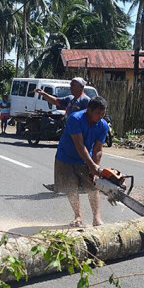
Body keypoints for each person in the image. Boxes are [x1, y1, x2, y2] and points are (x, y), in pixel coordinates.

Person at [52, 96, 109, 228]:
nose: (100, 116)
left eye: (103, 113)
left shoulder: (103, 125)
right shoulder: (75, 119)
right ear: (89, 110)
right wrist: (91, 164)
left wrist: (96, 168)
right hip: (65, 157)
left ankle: (96, 218)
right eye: (98, 113)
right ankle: (78, 216)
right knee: (71, 187)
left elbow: (98, 149)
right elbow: (79, 144)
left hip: (85, 158)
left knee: (93, 187)